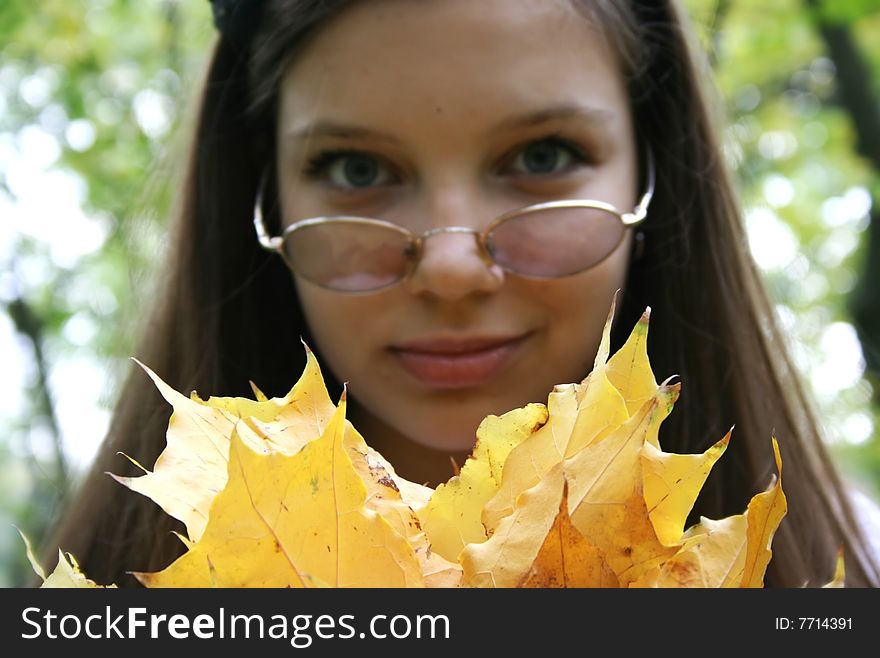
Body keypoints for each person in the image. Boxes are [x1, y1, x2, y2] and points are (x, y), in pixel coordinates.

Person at [42, 0, 880, 588]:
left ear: (651, 169)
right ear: (260, 196)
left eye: (543, 156)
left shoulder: (850, 569)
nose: (449, 267)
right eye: (356, 169)